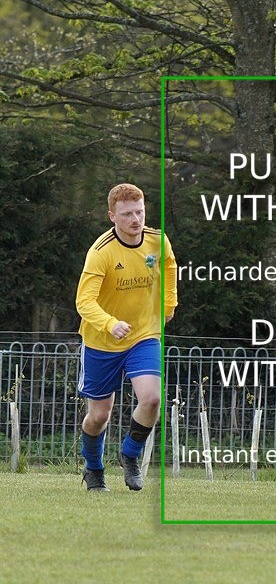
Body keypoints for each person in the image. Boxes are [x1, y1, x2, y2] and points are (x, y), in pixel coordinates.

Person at [75, 183, 178, 492]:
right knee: (98, 416)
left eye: (140, 212)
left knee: (152, 398)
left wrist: (169, 304)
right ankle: (93, 469)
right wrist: (109, 323)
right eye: (127, 214)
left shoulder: (158, 241)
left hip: (143, 334)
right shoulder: (101, 252)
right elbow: (84, 302)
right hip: (102, 341)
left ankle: (130, 455)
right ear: (112, 216)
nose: (136, 219)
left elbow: (170, 266)